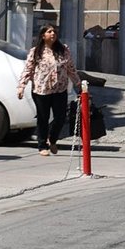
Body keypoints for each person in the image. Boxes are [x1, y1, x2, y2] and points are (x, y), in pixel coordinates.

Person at [16, 23, 82, 156]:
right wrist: (21, 86)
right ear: (43, 35)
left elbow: (71, 69)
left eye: (54, 32)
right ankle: (42, 146)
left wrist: (79, 84)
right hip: (41, 90)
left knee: (60, 117)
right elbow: (28, 70)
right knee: (43, 118)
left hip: (59, 89)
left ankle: (52, 139)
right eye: (50, 32)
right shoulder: (36, 51)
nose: (53, 34)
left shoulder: (63, 50)